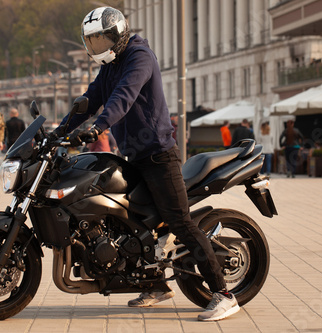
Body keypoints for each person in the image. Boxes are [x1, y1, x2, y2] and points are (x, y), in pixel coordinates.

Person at [51, 7, 239, 322]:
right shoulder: (110, 66)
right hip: (134, 156)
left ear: (118, 34)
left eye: (101, 40)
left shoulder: (139, 57)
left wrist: (100, 126)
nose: (97, 48)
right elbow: (89, 100)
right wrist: (56, 133)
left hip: (158, 155)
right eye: (91, 42)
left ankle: (223, 294)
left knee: (179, 222)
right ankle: (157, 286)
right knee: (131, 223)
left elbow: (123, 98)